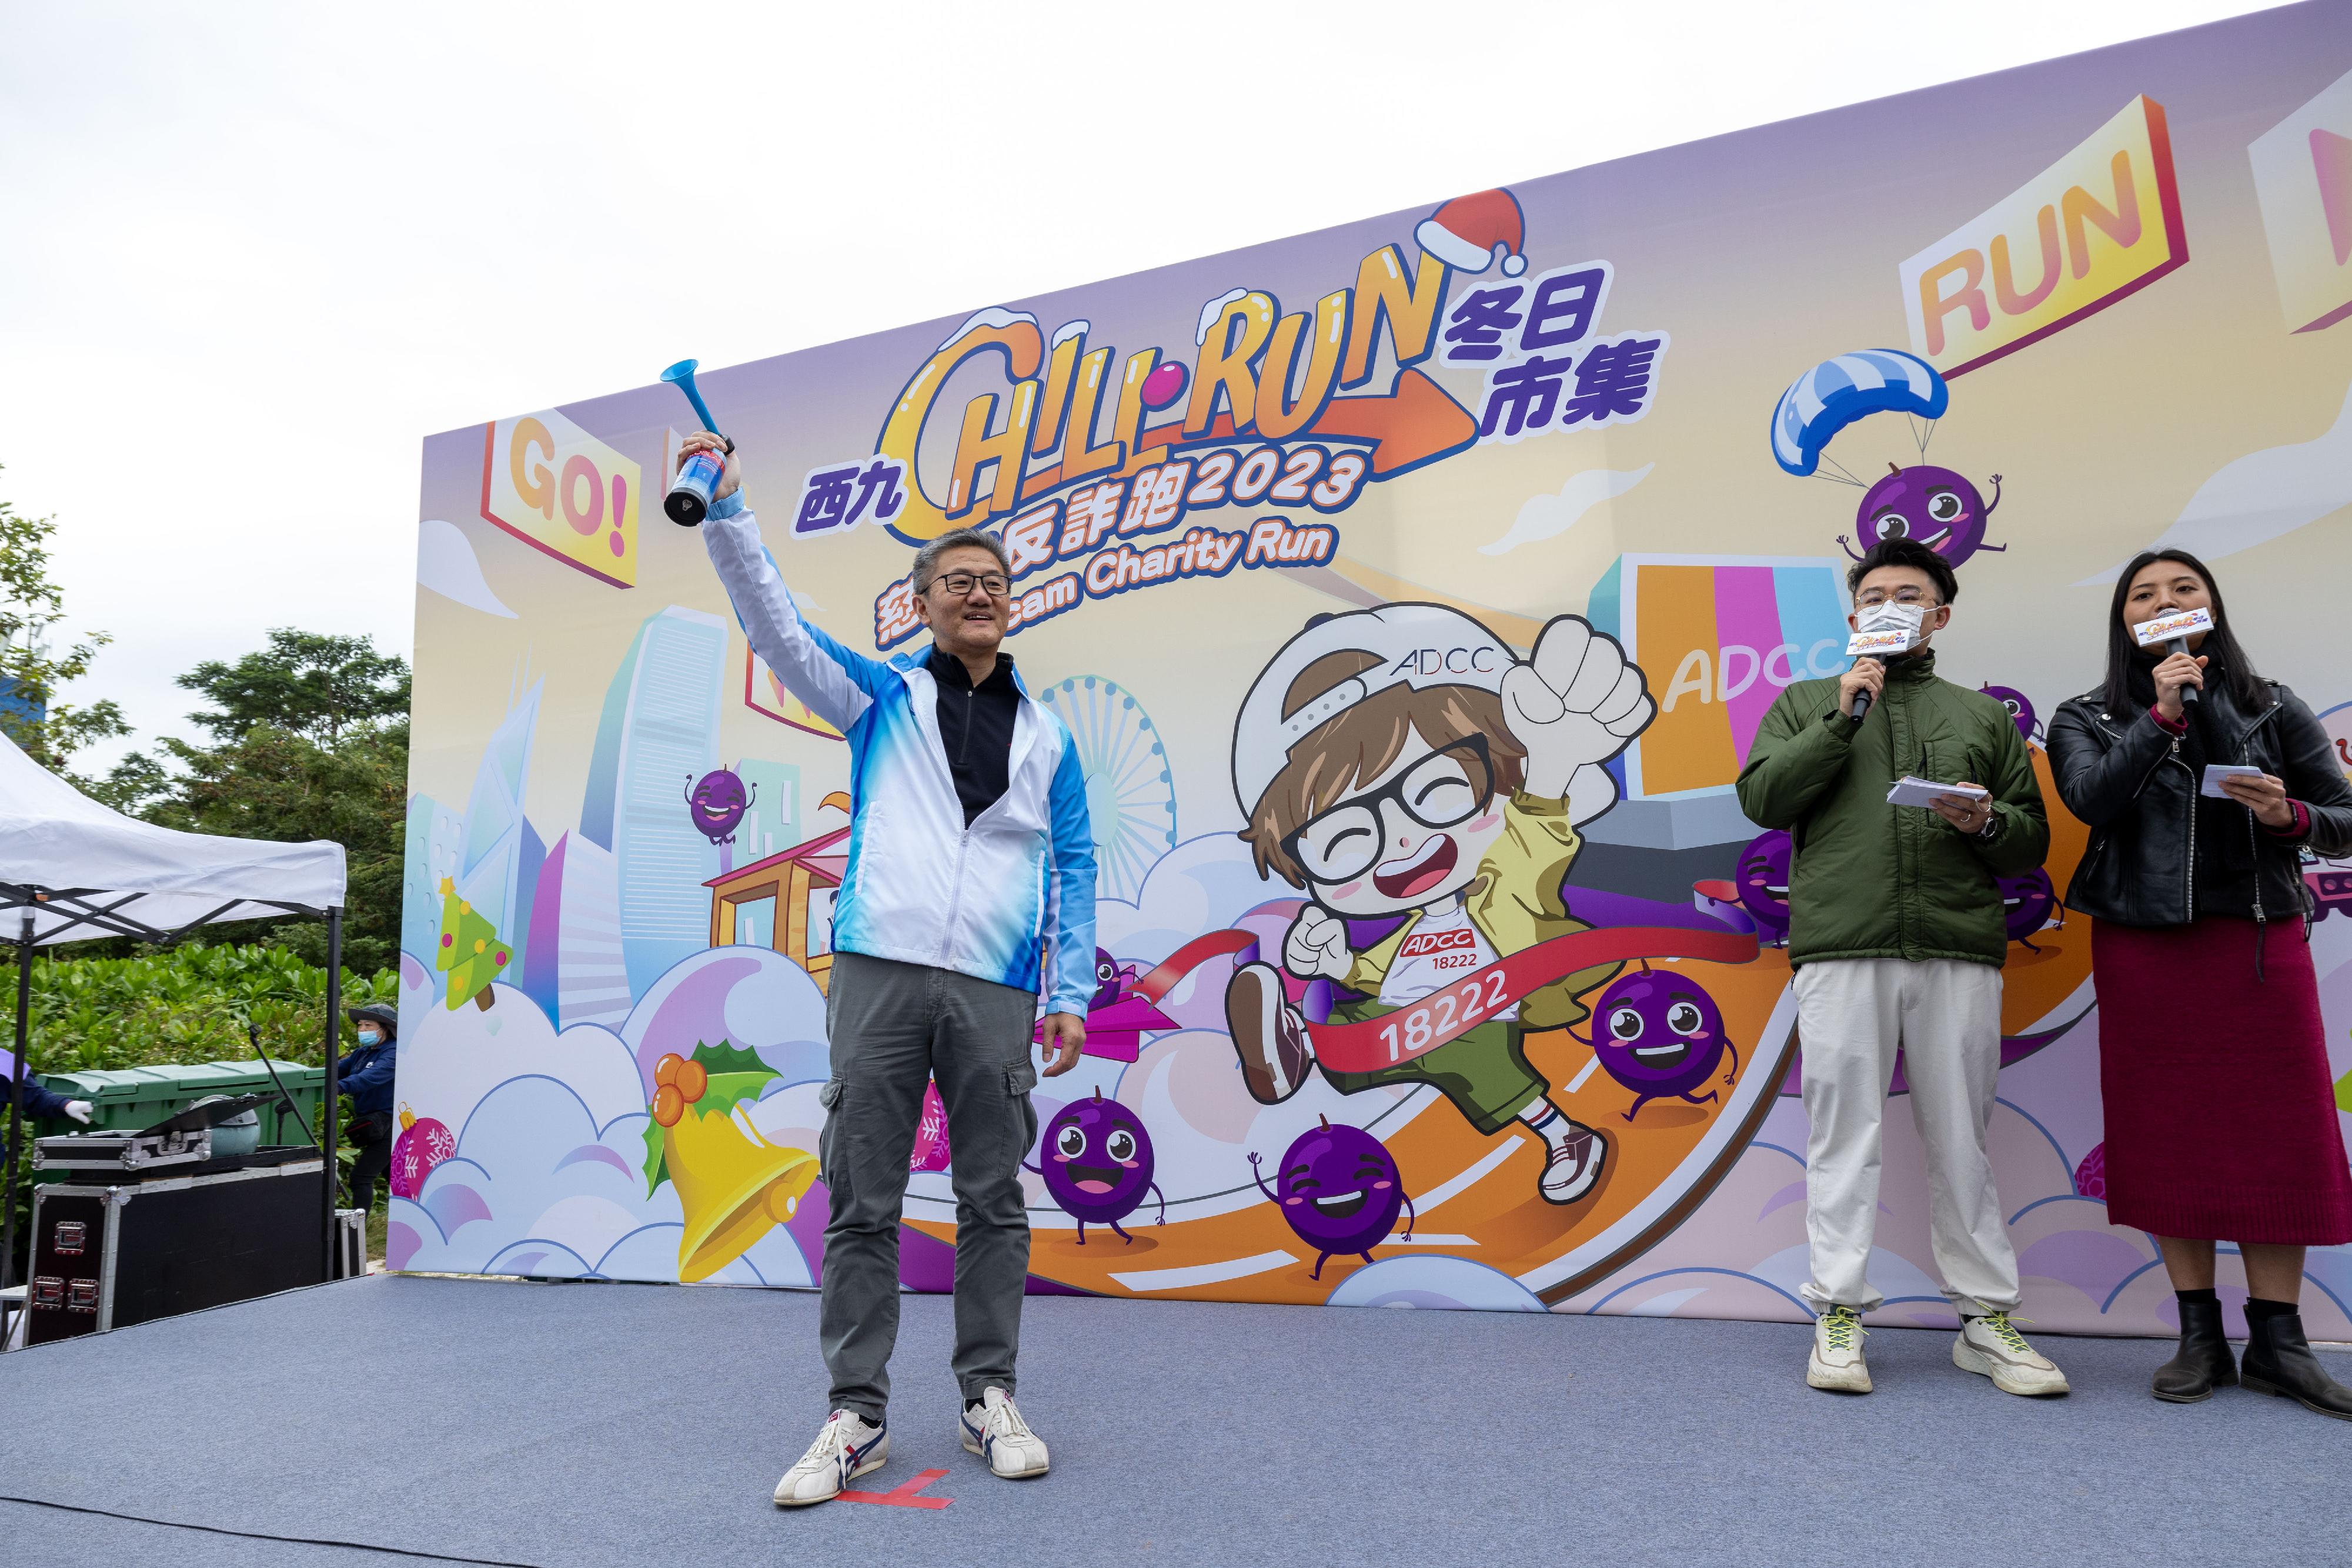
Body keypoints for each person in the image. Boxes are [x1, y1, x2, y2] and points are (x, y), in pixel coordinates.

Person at [677, 431, 1096, 1507]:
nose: (978, 594)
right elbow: (775, 626)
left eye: (993, 583)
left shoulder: (1048, 736)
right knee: (862, 1194)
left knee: (992, 1195)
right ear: (920, 603)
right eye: (956, 581)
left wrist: (1071, 987)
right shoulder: (880, 699)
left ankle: (987, 1395)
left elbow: (1079, 859)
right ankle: (854, 1410)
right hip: (880, 974)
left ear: (1012, 605)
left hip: (999, 987)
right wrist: (730, 514)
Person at [1736, 536, 2066, 1398]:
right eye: (1875, 594)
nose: (1890, 604)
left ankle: (1986, 1319)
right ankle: (1838, 1313)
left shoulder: (1983, 716)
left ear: (1939, 614)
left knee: (1962, 1137)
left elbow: (2028, 842)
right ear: (1853, 618)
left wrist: (1984, 823)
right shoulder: (1807, 700)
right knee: (1844, 1134)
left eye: (1909, 594)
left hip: (1958, 943)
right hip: (1843, 945)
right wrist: (1841, 718)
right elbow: (1764, 799)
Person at [2047, 549, 2352, 1419]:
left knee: (2280, 1134)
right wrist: (2161, 714)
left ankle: (2281, 1343)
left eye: (2184, 587)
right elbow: (2092, 801)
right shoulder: (2089, 715)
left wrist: (2285, 813)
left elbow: (2344, 818)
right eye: (2146, 594)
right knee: (2165, 1132)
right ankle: (2199, 1335)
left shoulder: (2274, 705)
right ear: (2127, 623)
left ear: (2212, 605)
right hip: (2148, 948)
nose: (2168, 601)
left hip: (2259, 942)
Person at [336, 1004, 399, 1212]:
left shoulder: (393, 1053)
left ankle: (356, 1232)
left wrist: (342, 1086)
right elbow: (336, 1070)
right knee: (396, 1179)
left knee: (361, 1177)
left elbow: (370, 1078)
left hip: (391, 1124)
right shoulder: (362, 1053)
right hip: (374, 1124)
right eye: (360, 1025)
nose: (362, 1029)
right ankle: (416, 1216)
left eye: (368, 1025)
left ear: (384, 1029)